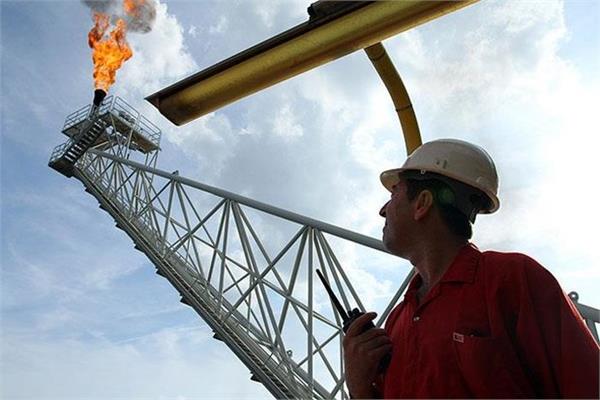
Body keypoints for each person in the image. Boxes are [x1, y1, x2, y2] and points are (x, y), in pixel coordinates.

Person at [343, 138, 600, 399]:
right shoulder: (398, 320)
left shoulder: (512, 280)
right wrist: (359, 386)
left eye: (393, 194)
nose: (382, 210)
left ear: (422, 203)